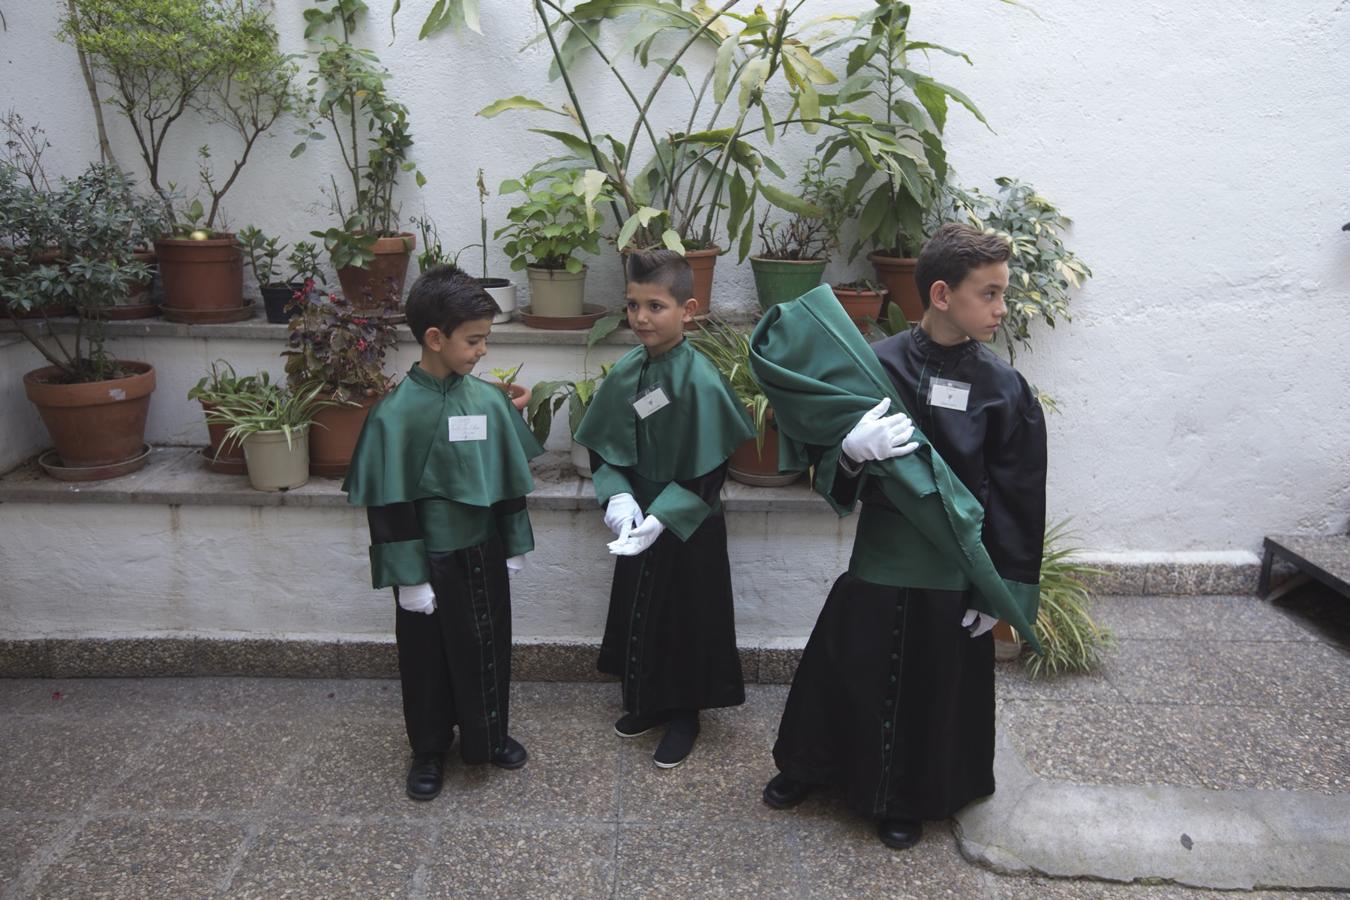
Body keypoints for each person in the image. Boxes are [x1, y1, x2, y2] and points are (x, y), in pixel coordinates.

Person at [756, 223, 1048, 848]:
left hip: (953, 571)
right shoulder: (875, 366)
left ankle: (907, 794)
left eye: (1003, 293)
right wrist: (851, 453)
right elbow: (830, 475)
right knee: (845, 668)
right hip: (882, 557)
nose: (1002, 308)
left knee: (932, 683)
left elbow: (1019, 500)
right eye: (990, 294)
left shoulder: (1004, 390)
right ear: (942, 293)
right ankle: (810, 765)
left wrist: (996, 593)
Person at [343, 263, 544, 801]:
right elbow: (387, 503)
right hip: (428, 559)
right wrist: (409, 578)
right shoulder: (393, 415)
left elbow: (506, 479)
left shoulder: (487, 402)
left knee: (489, 646)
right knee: (426, 659)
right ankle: (429, 748)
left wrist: (513, 542)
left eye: (485, 340)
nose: (482, 351)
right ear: (435, 338)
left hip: (483, 550)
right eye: (474, 340)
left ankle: (490, 733)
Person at [573, 248, 756, 768]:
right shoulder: (630, 370)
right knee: (642, 609)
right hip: (640, 516)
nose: (641, 318)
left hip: (688, 519)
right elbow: (605, 448)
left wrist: (662, 517)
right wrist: (620, 497)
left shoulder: (699, 378)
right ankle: (649, 700)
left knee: (688, 616)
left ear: (687, 309)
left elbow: (709, 470)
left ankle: (686, 714)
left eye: (655, 306)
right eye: (633, 306)